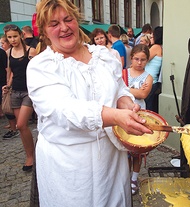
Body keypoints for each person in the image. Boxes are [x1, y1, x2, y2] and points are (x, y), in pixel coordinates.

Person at [26, 0, 152, 206]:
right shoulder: (41, 67)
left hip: (111, 161)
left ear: (77, 20)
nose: (64, 27)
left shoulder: (104, 56)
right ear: (44, 31)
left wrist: (126, 103)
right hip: (69, 166)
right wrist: (115, 117)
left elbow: (119, 87)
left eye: (68, 19)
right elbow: (64, 109)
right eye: (54, 23)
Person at [2, 24, 36, 171]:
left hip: (29, 91)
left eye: (15, 36)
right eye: (9, 37)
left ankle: (31, 157)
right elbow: (11, 73)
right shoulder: (8, 52)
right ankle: (30, 155)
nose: (12, 39)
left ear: (21, 35)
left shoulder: (30, 50)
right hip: (15, 91)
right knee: (21, 128)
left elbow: (38, 71)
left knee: (21, 124)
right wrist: (7, 85)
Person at [127, 44, 153, 195]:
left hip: (140, 115)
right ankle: (124, 176)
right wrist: (136, 90)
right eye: (136, 59)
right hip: (124, 113)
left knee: (137, 150)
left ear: (147, 61)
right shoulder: (124, 73)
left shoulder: (148, 77)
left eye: (143, 60)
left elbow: (143, 95)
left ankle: (134, 178)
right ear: (131, 58)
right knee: (125, 150)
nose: (139, 62)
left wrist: (126, 88)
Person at [0, 35, 19, 139]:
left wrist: (8, 83)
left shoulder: (3, 52)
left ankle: (15, 128)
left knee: (7, 107)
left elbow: (8, 69)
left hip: (3, 82)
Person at [145, 26, 163, 113]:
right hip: (154, 81)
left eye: (152, 36)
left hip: (150, 81)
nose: (150, 38)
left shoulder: (156, 47)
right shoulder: (161, 47)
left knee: (147, 107)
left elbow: (143, 58)